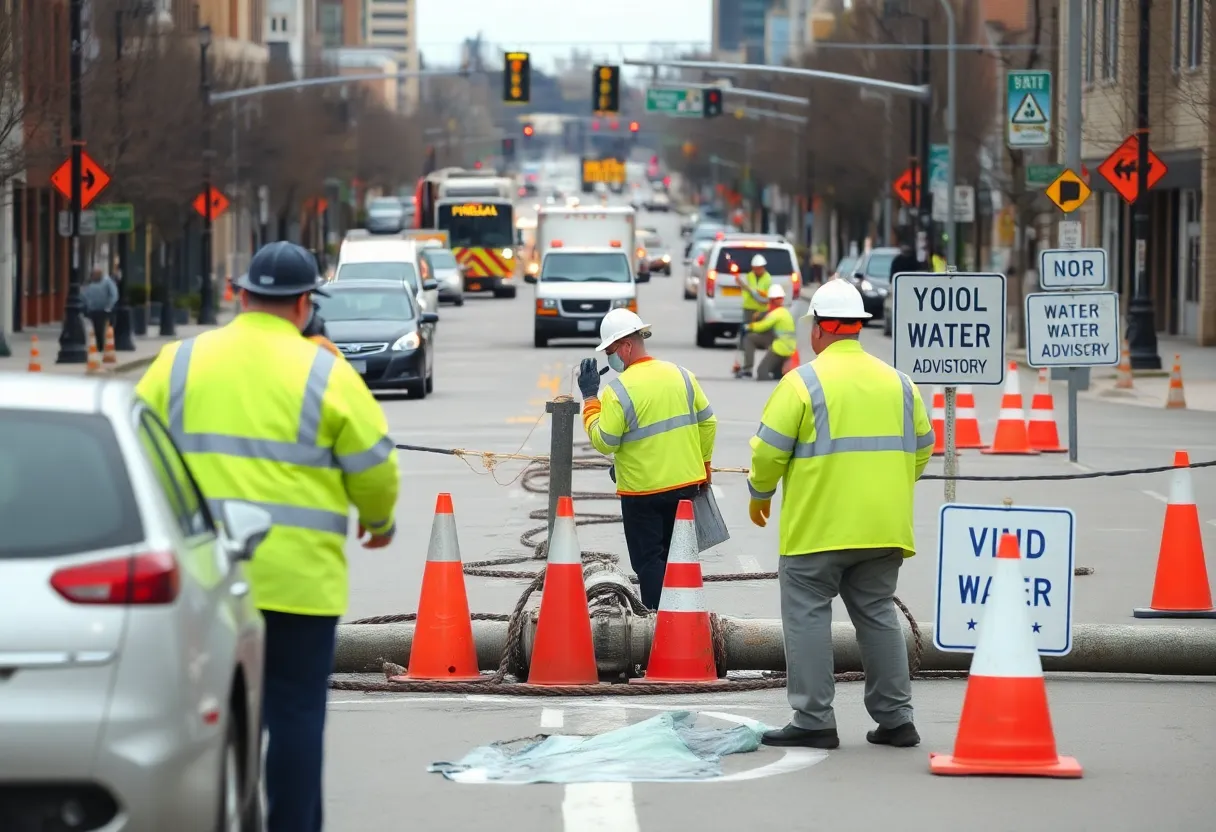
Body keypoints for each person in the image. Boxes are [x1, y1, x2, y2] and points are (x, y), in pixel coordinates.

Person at [135, 240, 400, 832]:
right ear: (305, 303)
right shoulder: (325, 372)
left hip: (203, 583)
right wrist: (378, 524)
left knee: (207, 719)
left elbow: (137, 447)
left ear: (243, 295)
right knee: (297, 715)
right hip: (299, 585)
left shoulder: (177, 362)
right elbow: (376, 467)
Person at [746, 278, 934, 751]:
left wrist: (759, 493)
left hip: (818, 529)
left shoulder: (803, 382)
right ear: (857, 328)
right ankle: (896, 720)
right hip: (883, 526)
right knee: (877, 615)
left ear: (819, 331)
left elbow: (768, 452)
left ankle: (813, 719)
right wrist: (890, 485)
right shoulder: (899, 383)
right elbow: (925, 446)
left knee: (808, 615)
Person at [577, 308, 717, 609]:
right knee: (679, 560)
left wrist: (590, 400)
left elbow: (604, 440)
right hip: (686, 488)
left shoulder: (619, 391)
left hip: (643, 494)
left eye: (611, 351)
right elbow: (708, 423)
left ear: (626, 346)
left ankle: (657, 630)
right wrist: (704, 465)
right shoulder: (683, 376)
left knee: (650, 562)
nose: (610, 360)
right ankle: (685, 620)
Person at [742, 284, 797, 380]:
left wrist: (749, 326)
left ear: (772, 300)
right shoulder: (785, 312)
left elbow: (763, 326)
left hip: (780, 347)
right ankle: (778, 371)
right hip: (787, 346)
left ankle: (747, 369)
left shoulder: (777, 313)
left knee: (761, 372)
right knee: (777, 375)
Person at [734, 254, 773, 378]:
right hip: (748, 310)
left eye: (759, 267)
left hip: (762, 312)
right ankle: (743, 366)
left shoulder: (767, 278)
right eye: (755, 267)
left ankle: (770, 366)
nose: (757, 270)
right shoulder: (749, 276)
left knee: (764, 337)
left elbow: (761, 297)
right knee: (744, 338)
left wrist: (746, 288)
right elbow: (749, 292)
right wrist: (743, 286)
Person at [80, 268, 119, 352]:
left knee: (101, 328)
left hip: (104, 310)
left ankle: (101, 345)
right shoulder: (89, 283)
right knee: (94, 328)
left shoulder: (107, 282)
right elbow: (83, 294)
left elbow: (114, 295)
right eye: (93, 274)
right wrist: (86, 304)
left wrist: (109, 306)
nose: (93, 276)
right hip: (92, 310)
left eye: (95, 274)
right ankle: (96, 344)